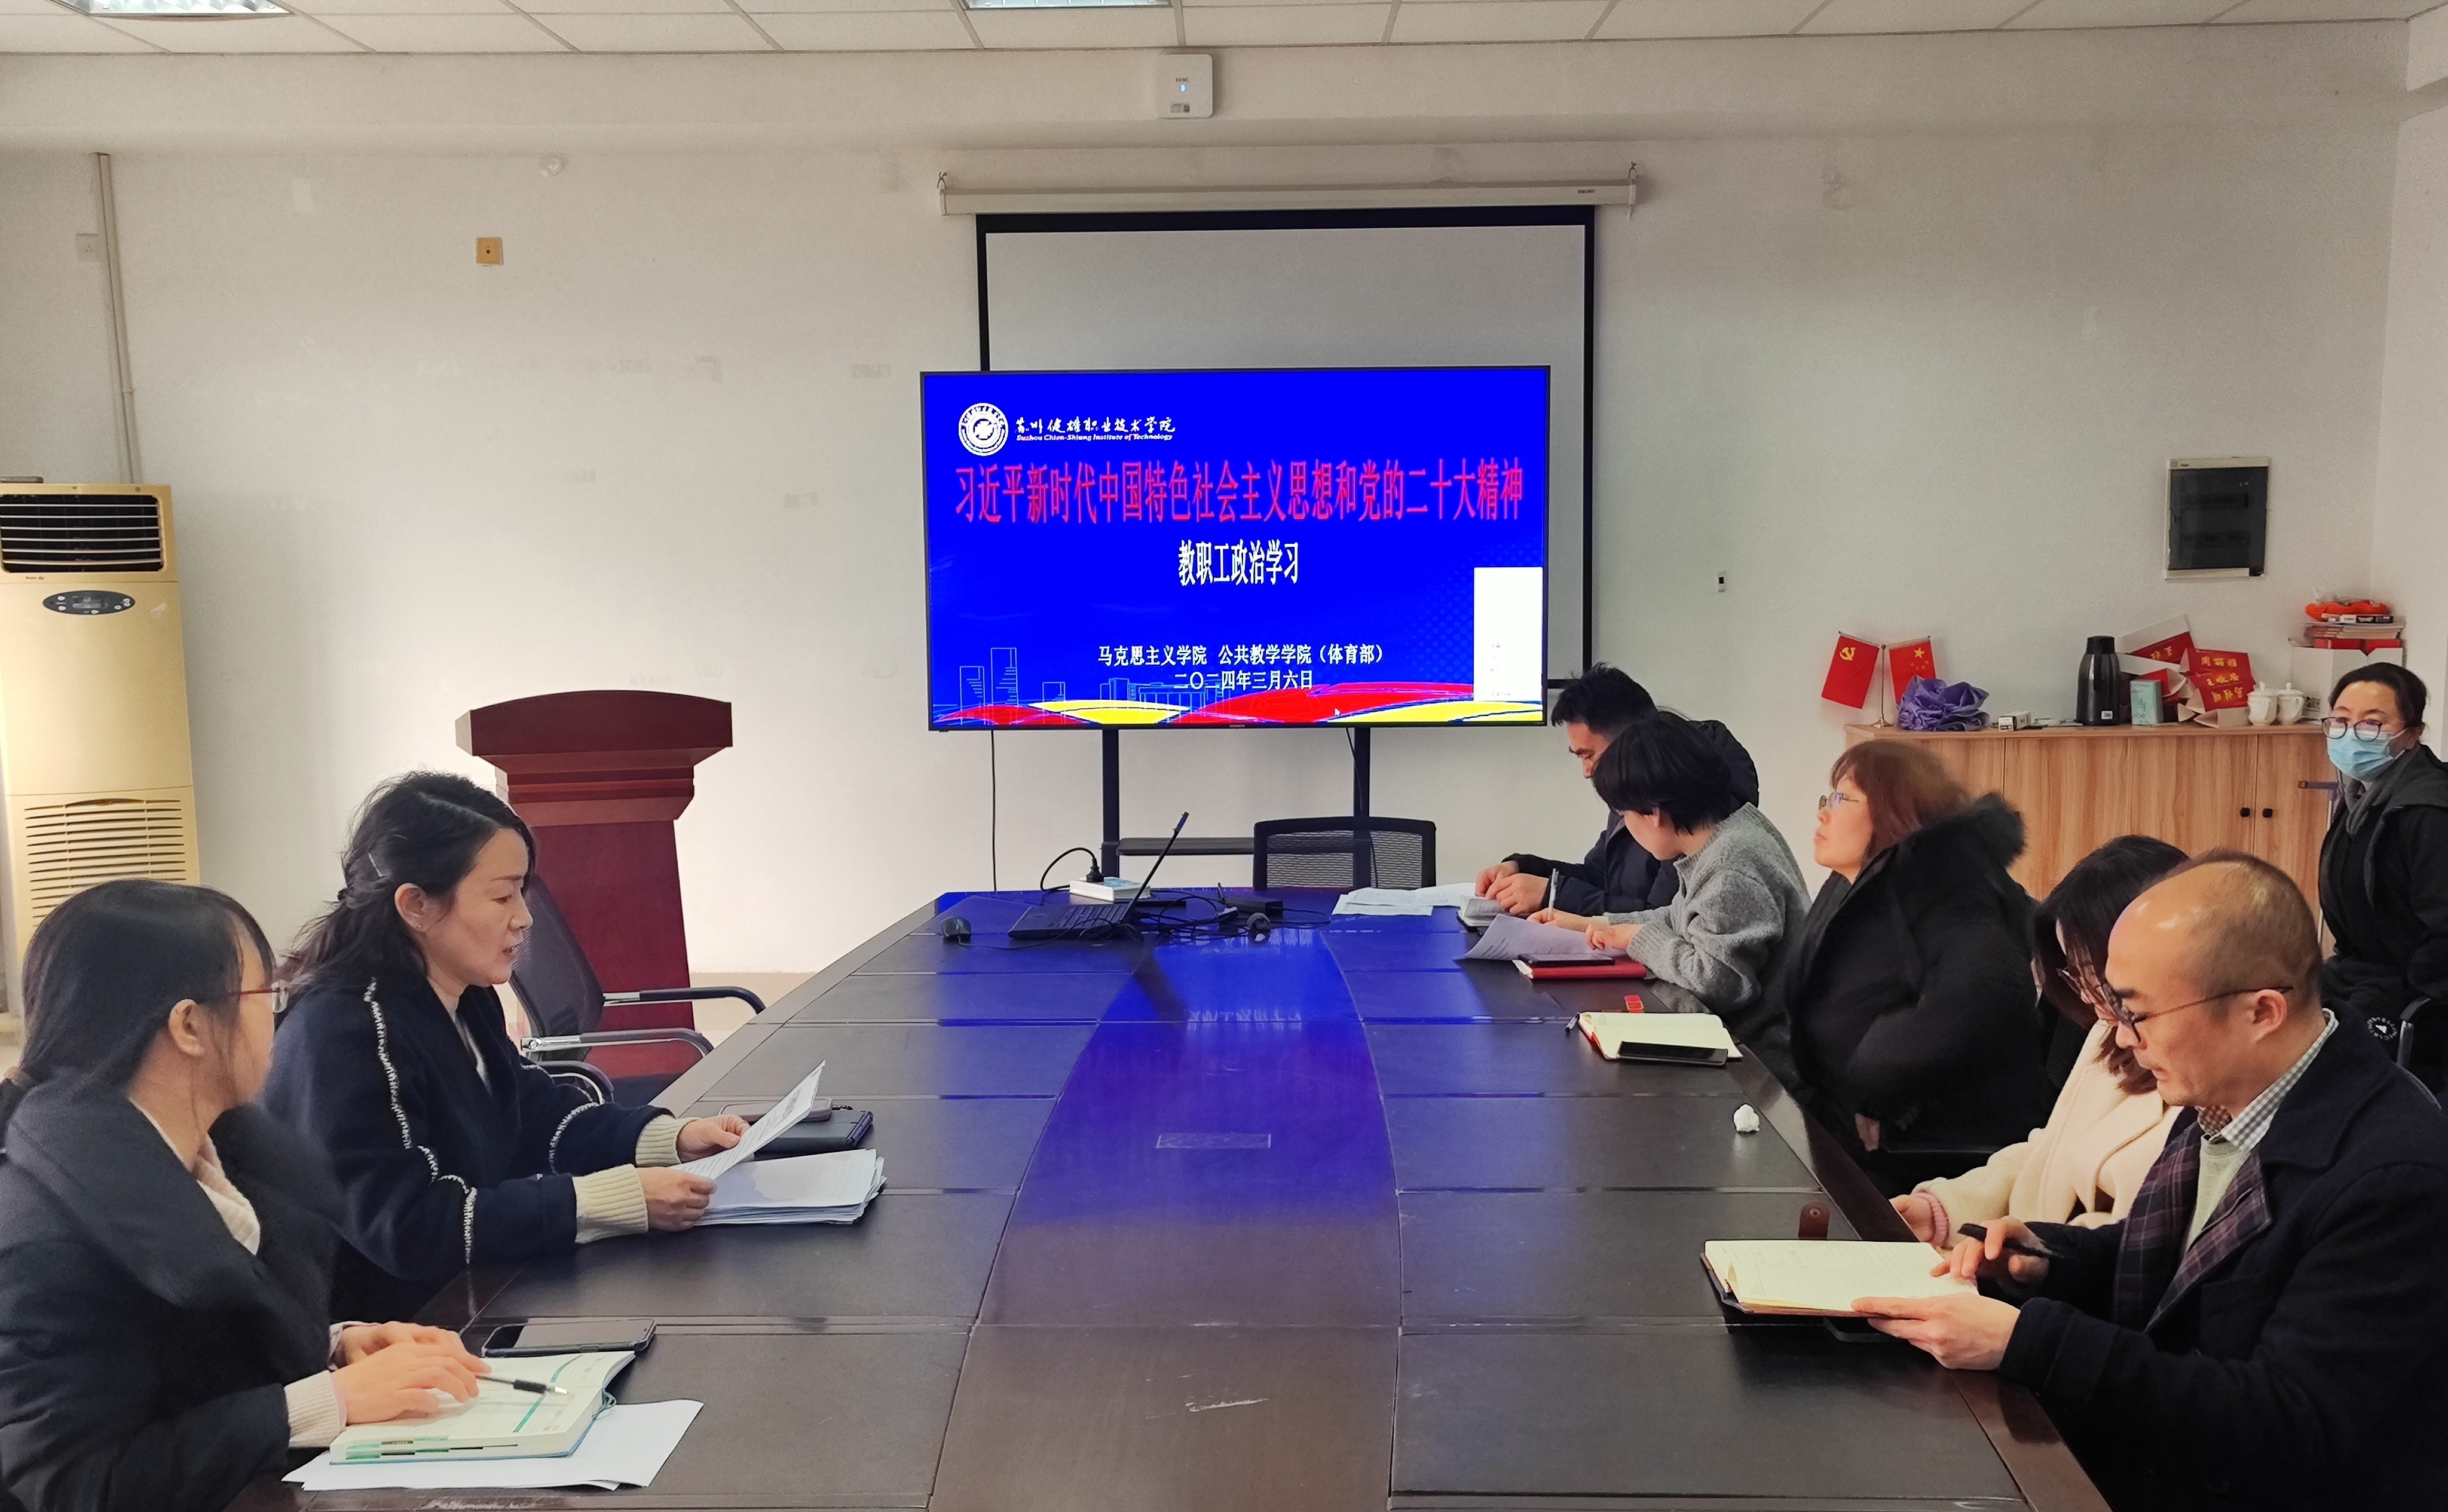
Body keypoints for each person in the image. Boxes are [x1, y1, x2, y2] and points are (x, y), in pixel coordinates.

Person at [1855, 853, 2448, 1512]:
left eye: (2138, 1012)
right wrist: (2046, 1260)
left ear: (2261, 1013)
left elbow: (2284, 1423)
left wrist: (2027, 1342)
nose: (2121, 1035)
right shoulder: (2228, 1090)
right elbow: (2181, 1265)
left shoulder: (2392, 1174)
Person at [0, 880, 494, 1512]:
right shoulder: (43, 1238)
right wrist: (320, 1403)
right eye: (265, 994)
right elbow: (81, 1484)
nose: (276, 1018)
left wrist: (331, 1347)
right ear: (189, 1025)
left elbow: (185, 1359)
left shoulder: (211, 1156)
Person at [262, 772, 749, 1321]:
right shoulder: (346, 1030)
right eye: (502, 895)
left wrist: (668, 1139)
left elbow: (530, 1115)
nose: (524, 917)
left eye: (522, 891)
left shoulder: (463, 993)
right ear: (416, 905)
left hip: (473, 1293)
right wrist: (614, 1200)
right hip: (394, 1334)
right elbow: (409, 1225)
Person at [1780, 740, 2048, 1191]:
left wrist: (1874, 1094)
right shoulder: (1856, 881)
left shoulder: (1946, 888)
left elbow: (1985, 991)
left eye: (1843, 797)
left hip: (1926, 1150)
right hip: (1848, 1124)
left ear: (1893, 812)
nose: (1824, 813)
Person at [1895, 836, 2184, 1248]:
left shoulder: (2198, 1076)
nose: (2086, 995)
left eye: (2096, 974)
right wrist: (1943, 1211)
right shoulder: (2108, 1032)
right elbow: (2050, 1155)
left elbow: (2132, 1240)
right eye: (2074, 974)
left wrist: (2028, 1249)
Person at [1531, 713, 1807, 1085]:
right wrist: (1600, 925)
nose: (1625, 824)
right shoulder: (1722, 838)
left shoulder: (1732, 863)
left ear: (1654, 813)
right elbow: (1681, 918)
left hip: (1759, 1068)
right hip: (1729, 1042)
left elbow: (1719, 982)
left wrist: (1637, 938)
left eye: (1625, 813)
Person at [1473, 664, 1759, 917]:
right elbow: (1600, 877)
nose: (1587, 771)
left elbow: (1664, 917)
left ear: (1630, 740)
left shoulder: (1693, 802)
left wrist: (1554, 896)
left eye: (1589, 755)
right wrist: (1524, 869)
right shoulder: (1637, 783)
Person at [2315, 663, 2448, 1088]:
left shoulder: (2428, 810)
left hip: (2412, 993)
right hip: (2357, 972)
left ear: (2412, 733)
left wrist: (2410, 1002)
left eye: (2372, 723)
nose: (2351, 735)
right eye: (2341, 720)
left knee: (2316, 1070)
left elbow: (2443, 934)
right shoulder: (2361, 792)